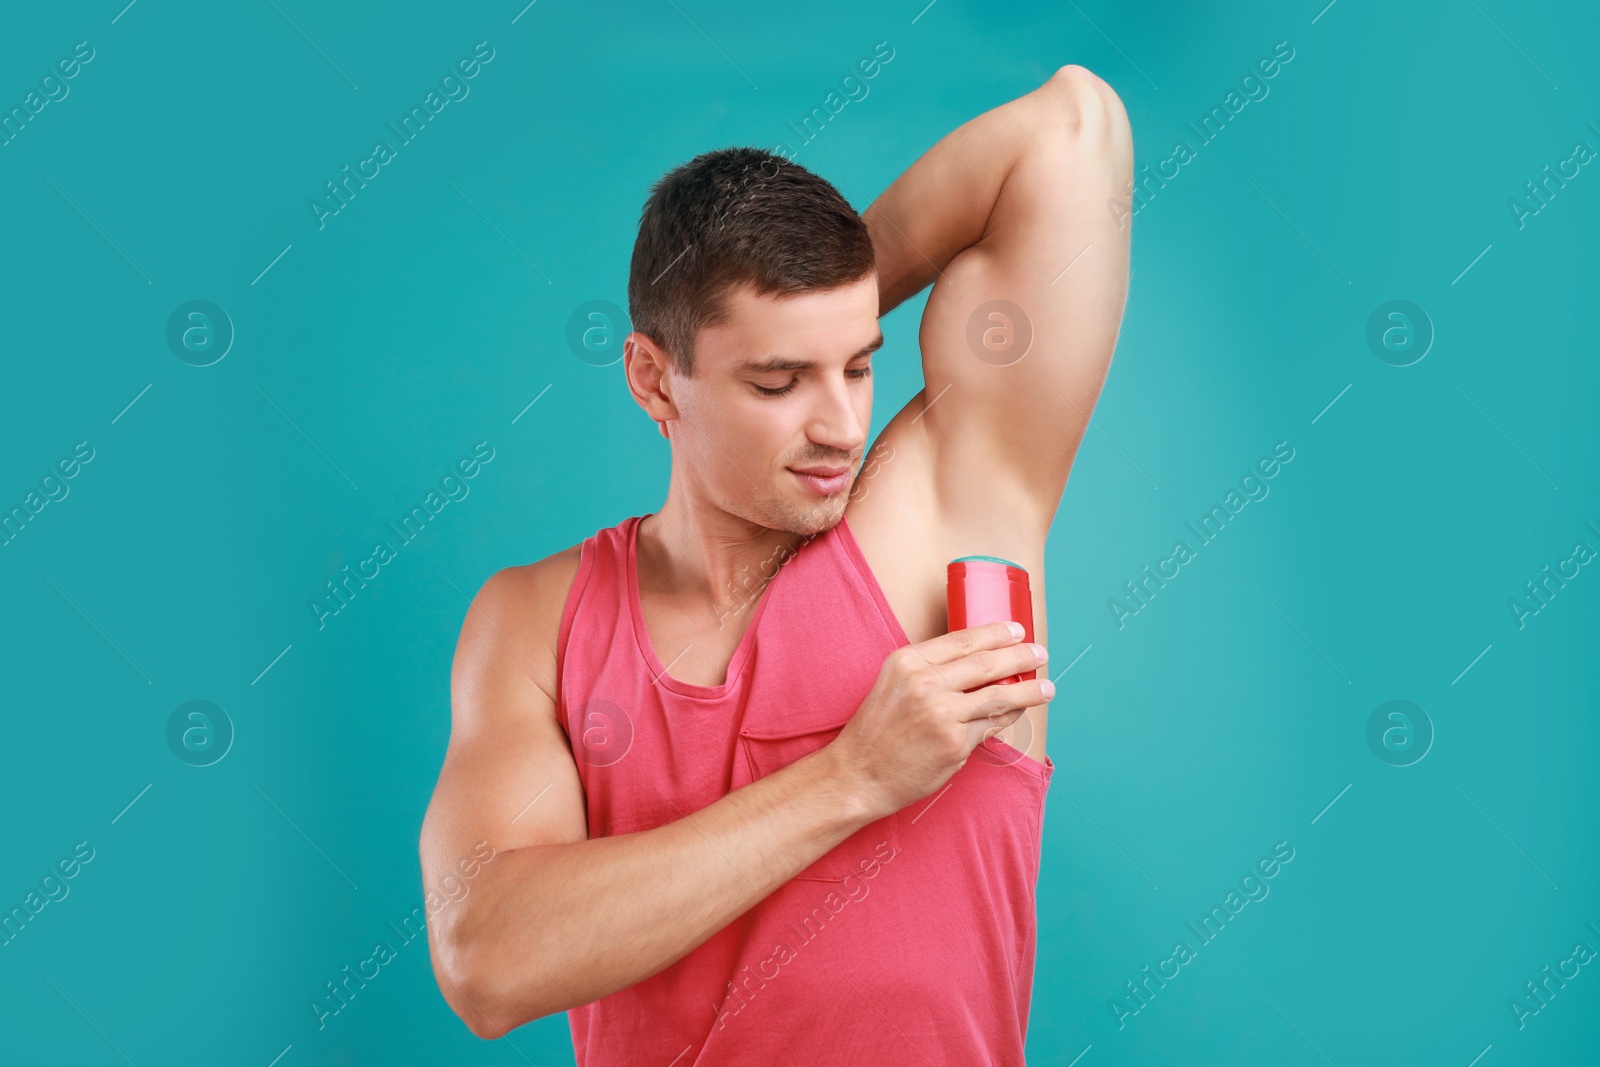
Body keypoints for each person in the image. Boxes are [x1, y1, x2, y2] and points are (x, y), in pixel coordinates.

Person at [420, 63, 1132, 1064]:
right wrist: (852, 774)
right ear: (652, 378)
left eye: (858, 362)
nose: (842, 425)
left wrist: (807, 309)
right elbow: (484, 958)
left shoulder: (941, 519)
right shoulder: (538, 620)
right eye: (776, 379)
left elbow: (1072, 125)